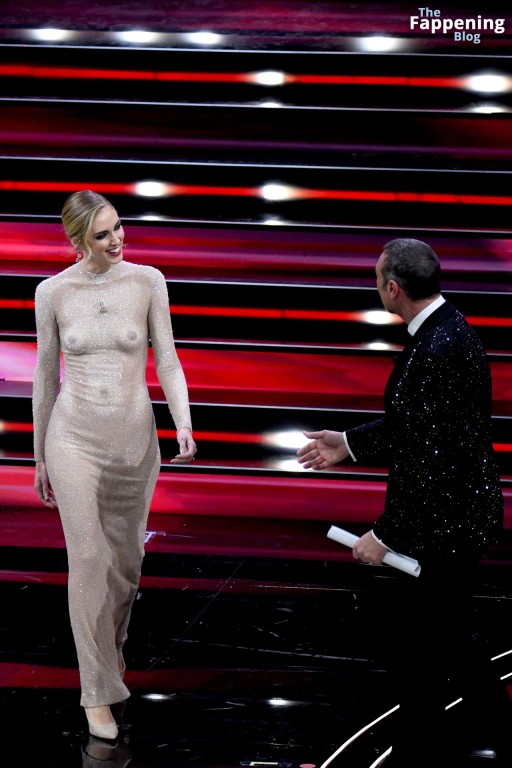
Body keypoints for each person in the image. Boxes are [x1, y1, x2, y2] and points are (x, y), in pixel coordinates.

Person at [297, 238, 511, 766]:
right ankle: (424, 745)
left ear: (393, 288)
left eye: (377, 279)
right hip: (458, 515)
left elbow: (428, 460)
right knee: (437, 644)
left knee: (441, 645)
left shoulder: (435, 350)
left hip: (449, 524)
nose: (376, 286)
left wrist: (385, 535)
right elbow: (416, 426)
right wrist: (347, 444)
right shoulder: (447, 330)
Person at [32, 190, 196, 744]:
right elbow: (45, 377)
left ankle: (111, 650)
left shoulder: (148, 281)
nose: (116, 239)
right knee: (88, 560)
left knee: (125, 565)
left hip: (133, 441)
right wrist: (39, 454)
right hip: (73, 438)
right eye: (102, 234)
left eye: (118, 227)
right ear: (78, 240)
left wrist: (183, 422)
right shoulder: (52, 292)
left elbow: (167, 358)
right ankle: (96, 691)